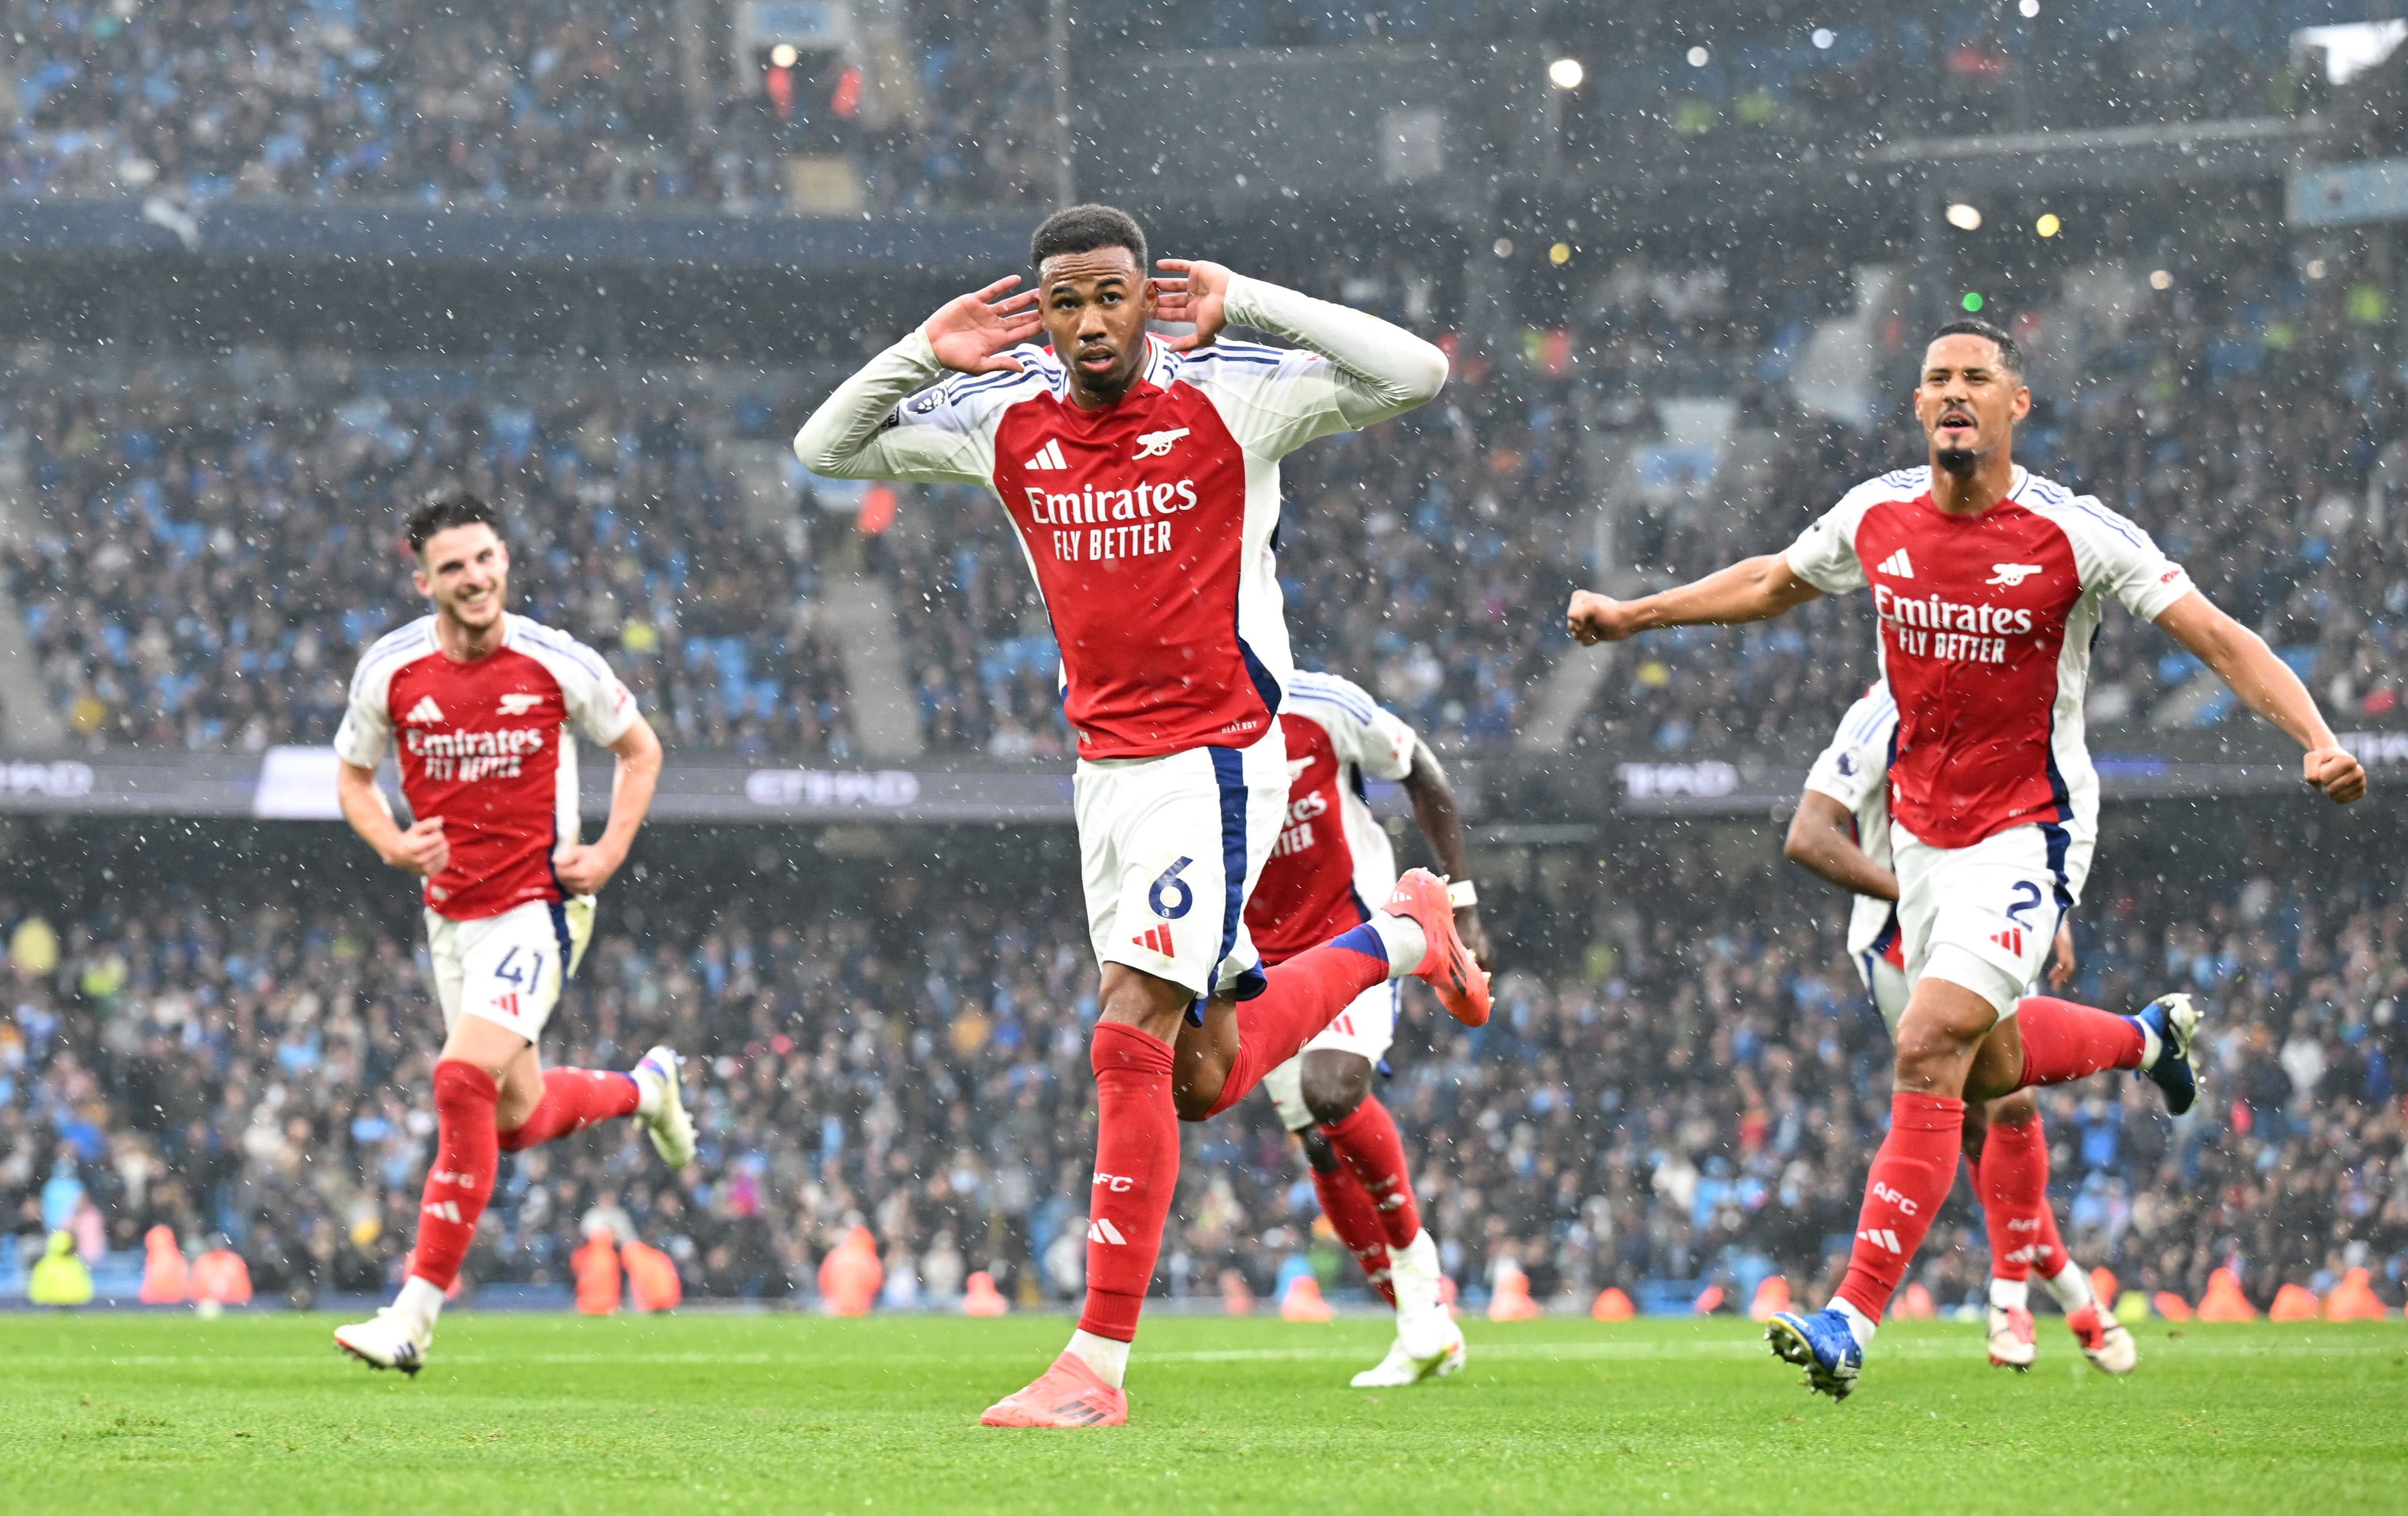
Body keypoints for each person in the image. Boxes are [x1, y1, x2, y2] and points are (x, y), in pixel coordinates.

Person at [1566, 317, 2365, 1399]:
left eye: (1976, 377)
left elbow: (2218, 636)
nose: (1955, 392)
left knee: (1933, 1038)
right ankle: (2145, 1038)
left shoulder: (2074, 534)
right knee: (1987, 1065)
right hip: (1927, 838)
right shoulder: (1876, 514)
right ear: (1917, 406)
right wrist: (1634, 616)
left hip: (2026, 825)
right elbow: (1770, 581)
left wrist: (2315, 735)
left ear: (2014, 404)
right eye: (1938, 377)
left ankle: (1852, 1316)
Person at [794, 203, 1490, 1428]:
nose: (1087, 322)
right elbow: (826, 447)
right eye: (1063, 301)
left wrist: (1254, 302)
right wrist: (922, 351)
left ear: (1145, 297)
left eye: (1109, 294)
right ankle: (1403, 937)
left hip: (1215, 761)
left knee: (1127, 1037)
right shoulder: (1008, 415)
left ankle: (1095, 1367)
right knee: (1202, 1076)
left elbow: (1416, 372)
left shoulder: (1231, 396)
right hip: (1104, 777)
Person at [328, 488, 695, 1376]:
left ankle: (412, 1317)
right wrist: (390, 841)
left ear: (504, 561)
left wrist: (607, 850)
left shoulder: (553, 661)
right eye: (453, 566)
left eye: (485, 558)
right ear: (424, 581)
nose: (475, 577)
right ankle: (646, 1089)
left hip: (538, 906)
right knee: (518, 1118)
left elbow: (640, 749)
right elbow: (350, 775)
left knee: (459, 1079)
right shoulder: (391, 670)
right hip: (450, 916)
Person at [1788, 683, 2135, 1374]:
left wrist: (2050, 912)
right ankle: (2069, 1289)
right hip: (1897, 945)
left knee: (2011, 1100)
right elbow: (1805, 837)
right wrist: (1915, 895)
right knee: (1978, 1123)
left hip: (1988, 916)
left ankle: (2011, 1300)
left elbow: (2022, 824)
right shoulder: (1878, 712)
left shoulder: (1997, 691)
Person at [1247, 670, 1492, 1387]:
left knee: (1331, 1090)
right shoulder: (1194, 728)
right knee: (1320, 1148)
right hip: (1258, 962)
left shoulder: (1323, 706)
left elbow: (1422, 771)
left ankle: (1419, 1278)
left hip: (1353, 937)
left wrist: (1464, 900)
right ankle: (1422, 1323)